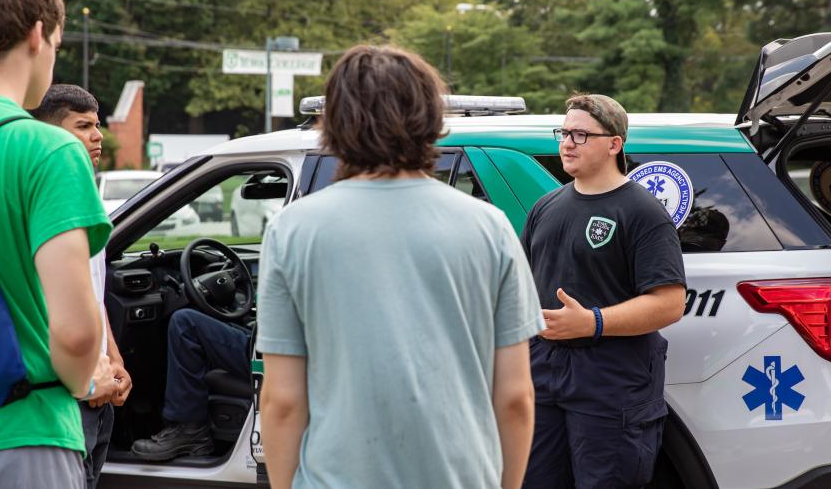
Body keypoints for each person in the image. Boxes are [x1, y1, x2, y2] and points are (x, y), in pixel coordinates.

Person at [257, 45, 542, 489]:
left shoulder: (292, 230)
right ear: (428, 116)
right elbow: (515, 398)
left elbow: (282, 402)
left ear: (335, 122)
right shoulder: (491, 227)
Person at [0, 0, 113, 488]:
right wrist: (85, 383)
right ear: (38, 36)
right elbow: (77, 334)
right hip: (23, 436)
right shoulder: (46, 150)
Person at [521, 94, 687, 488]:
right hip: (543, 374)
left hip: (612, 381)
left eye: (580, 134)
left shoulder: (642, 212)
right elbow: (521, 285)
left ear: (614, 144)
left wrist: (592, 322)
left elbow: (669, 303)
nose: (566, 143)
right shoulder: (546, 206)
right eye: (563, 133)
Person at [31, 84, 132, 488]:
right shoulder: (39, 200)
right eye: (83, 126)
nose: (98, 136)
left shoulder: (84, 196)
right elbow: (43, 302)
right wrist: (86, 378)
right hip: (67, 392)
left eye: (97, 125)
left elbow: (94, 293)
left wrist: (115, 358)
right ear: (50, 131)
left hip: (97, 387)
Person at [129, 309, 250, 460]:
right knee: (227, 325)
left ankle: (190, 429)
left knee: (185, 323)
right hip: (273, 347)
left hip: (269, 354)